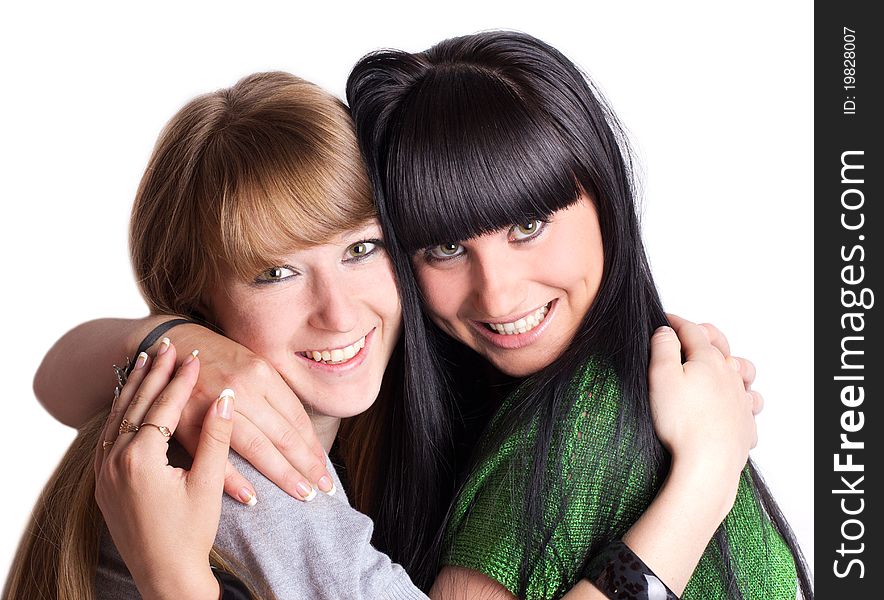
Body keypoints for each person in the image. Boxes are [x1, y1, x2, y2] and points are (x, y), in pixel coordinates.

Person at [13, 39, 795, 599]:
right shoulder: (247, 458)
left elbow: (55, 378)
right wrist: (704, 478)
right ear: (198, 291)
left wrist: (156, 340)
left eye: (362, 249)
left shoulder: (378, 416)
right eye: (277, 272)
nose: (338, 310)